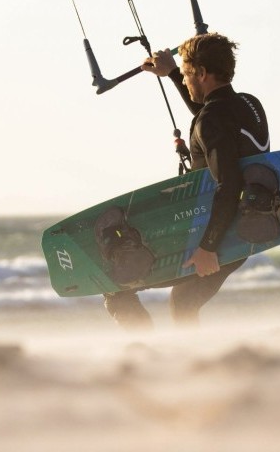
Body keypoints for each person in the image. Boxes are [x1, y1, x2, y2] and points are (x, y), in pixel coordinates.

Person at [103, 33, 270, 329]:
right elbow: (211, 116)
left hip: (213, 229)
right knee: (184, 301)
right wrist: (173, 73)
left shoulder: (211, 120)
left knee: (116, 283)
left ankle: (144, 346)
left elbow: (228, 184)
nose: (186, 80)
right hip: (244, 225)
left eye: (188, 74)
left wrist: (207, 248)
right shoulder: (248, 104)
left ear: (202, 73)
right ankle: (191, 352)